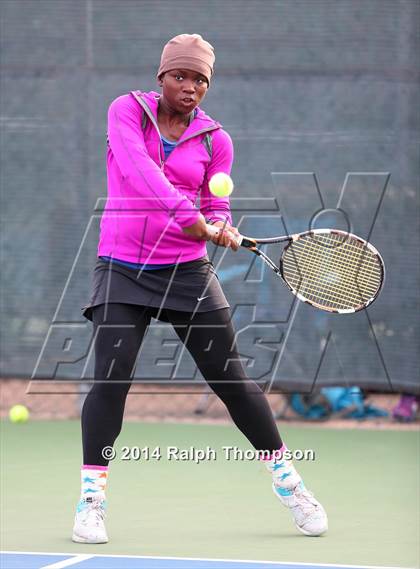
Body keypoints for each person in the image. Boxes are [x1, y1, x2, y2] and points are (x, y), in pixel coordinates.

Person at [72, 34, 328, 544]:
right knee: (110, 380)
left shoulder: (216, 140)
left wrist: (219, 223)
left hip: (186, 271)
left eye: (201, 81)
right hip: (123, 265)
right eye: (180, 76)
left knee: (232, 379)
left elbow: (217, 202)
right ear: (161, 76)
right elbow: (140, 172)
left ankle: (289, 483)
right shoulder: (126, 112)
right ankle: (91, 501)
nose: (190, 88)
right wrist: (190, 216)